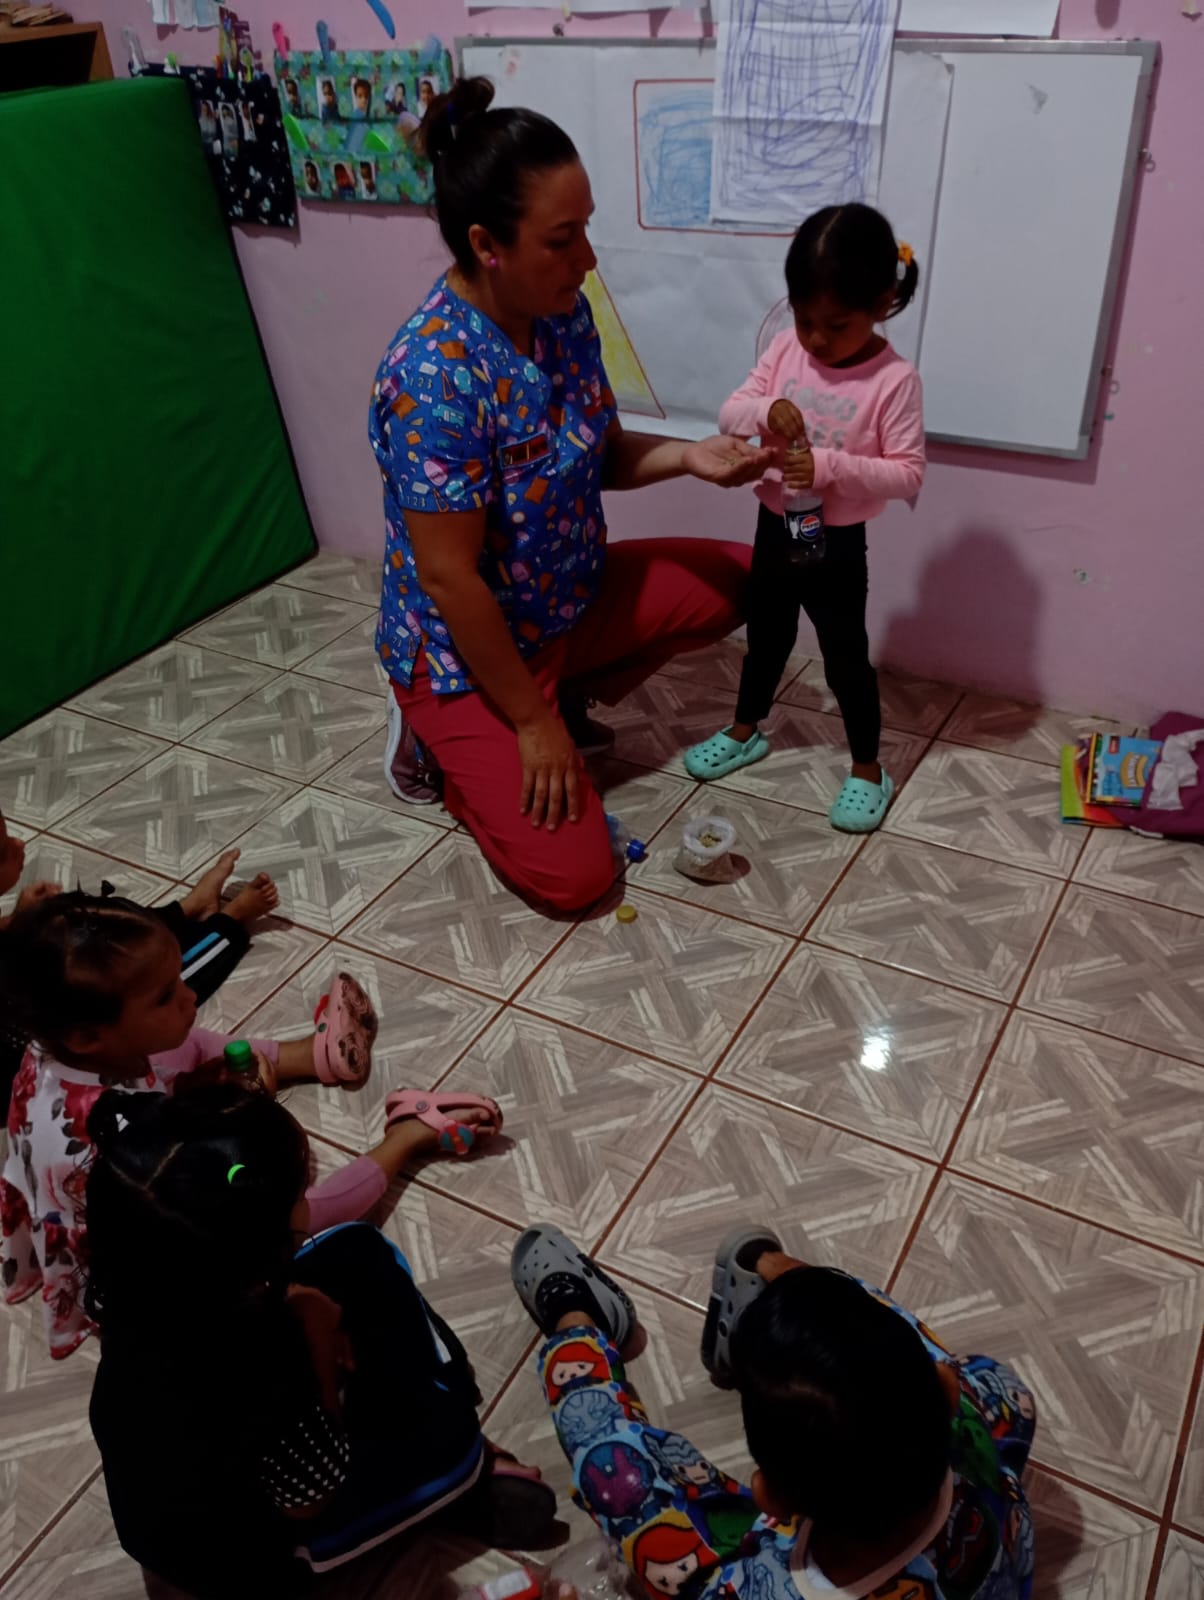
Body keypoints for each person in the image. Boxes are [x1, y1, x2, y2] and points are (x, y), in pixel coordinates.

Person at [371, 77, 769, 909]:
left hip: (567, 602)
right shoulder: (432, 376)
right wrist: (530, 722)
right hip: (468, 653)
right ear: (487, 245)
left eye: (585, 229)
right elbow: (450, 577)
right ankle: (437, 745)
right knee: (578, 878)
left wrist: (690, 457)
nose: (587, 259)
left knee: (748, 579)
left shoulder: (564, 316)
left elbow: (599, 450)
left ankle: (562, 695)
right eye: (563, 239)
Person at [86, 1084, 554, 1596]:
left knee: (354, 1253)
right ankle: (466, 1482)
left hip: (188, 1494)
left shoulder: (140, 1301)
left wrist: (295, 1301)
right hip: (253, 1557)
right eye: (300, 1198)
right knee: (447, 1432)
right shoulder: (258, 1376)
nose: (308, 1206)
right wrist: (318, 1343)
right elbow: (312, 1498)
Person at [0, 891, 502, 1358]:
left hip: (121, 1173)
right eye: (165, 996)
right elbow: (225, 1192)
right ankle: (405, 1138)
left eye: (179, 978)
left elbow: (148, 1078)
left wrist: (191, 1083)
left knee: (184, 1040)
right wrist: (249, 1104)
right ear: (86, 1035)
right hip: (157, 1240)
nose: (189, 996)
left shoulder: (52, 1046)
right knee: (288, 1213)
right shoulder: (125, 1141)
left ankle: (315, 1056)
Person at [512, 1224, 1036, 1599]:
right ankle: (779, 1272)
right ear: (945, 1393)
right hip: (986, 1555)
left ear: (771, 1500)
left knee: (615, 1468)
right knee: (999, 1391)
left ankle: (576, 1319)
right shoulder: (968, 1433)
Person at [685, 204, 926, 834]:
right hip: (778, 524)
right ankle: (745, 730)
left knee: (845, 654)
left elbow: (907, 474)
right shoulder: (786, 348)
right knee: (767, 635)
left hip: (836, 540)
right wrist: (766, 409)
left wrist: (827, 466)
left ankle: (868, 769)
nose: (815, 339)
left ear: (882, 303)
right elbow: (729, 413)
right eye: (802, 318)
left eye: (835, 325)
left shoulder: (894, 380)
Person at [0, 810, 276, 1107]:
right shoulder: (119, 1112)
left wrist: (20, 920)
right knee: (148, 972)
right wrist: (252, 1105)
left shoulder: (44, 1050)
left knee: (116, 931)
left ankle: (189, 907)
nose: (19, 843)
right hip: (58, 1013)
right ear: (85, 1039)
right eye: (3, 852)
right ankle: (228, 922)